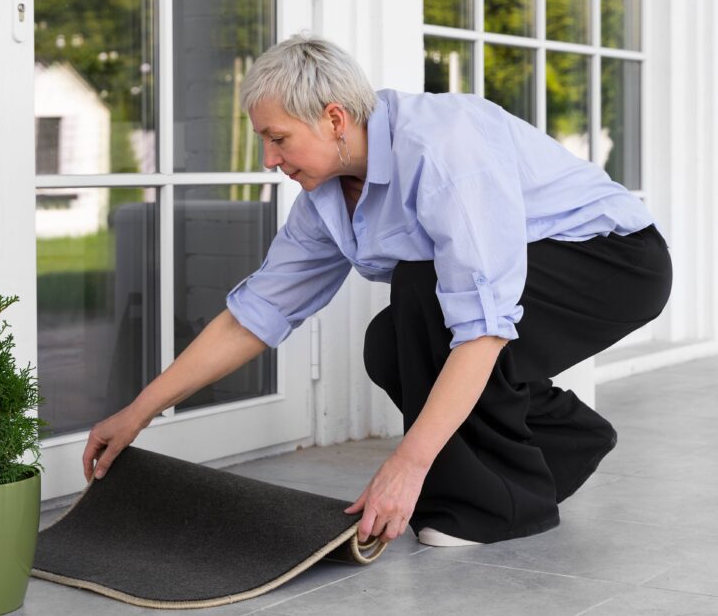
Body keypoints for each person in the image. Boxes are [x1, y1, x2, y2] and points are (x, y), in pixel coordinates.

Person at [82, 34, 672, 547]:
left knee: (422, 288)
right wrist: (138, 413)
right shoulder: (326, 198)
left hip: (613, 262)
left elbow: (482, 326)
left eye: (278, 139)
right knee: (389, 345)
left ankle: (500, 507)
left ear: (335, 119)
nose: (268, 159)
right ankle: (565, 439)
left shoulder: (444, 146)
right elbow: (252, 317)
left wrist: (407, 463)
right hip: (533, 272)